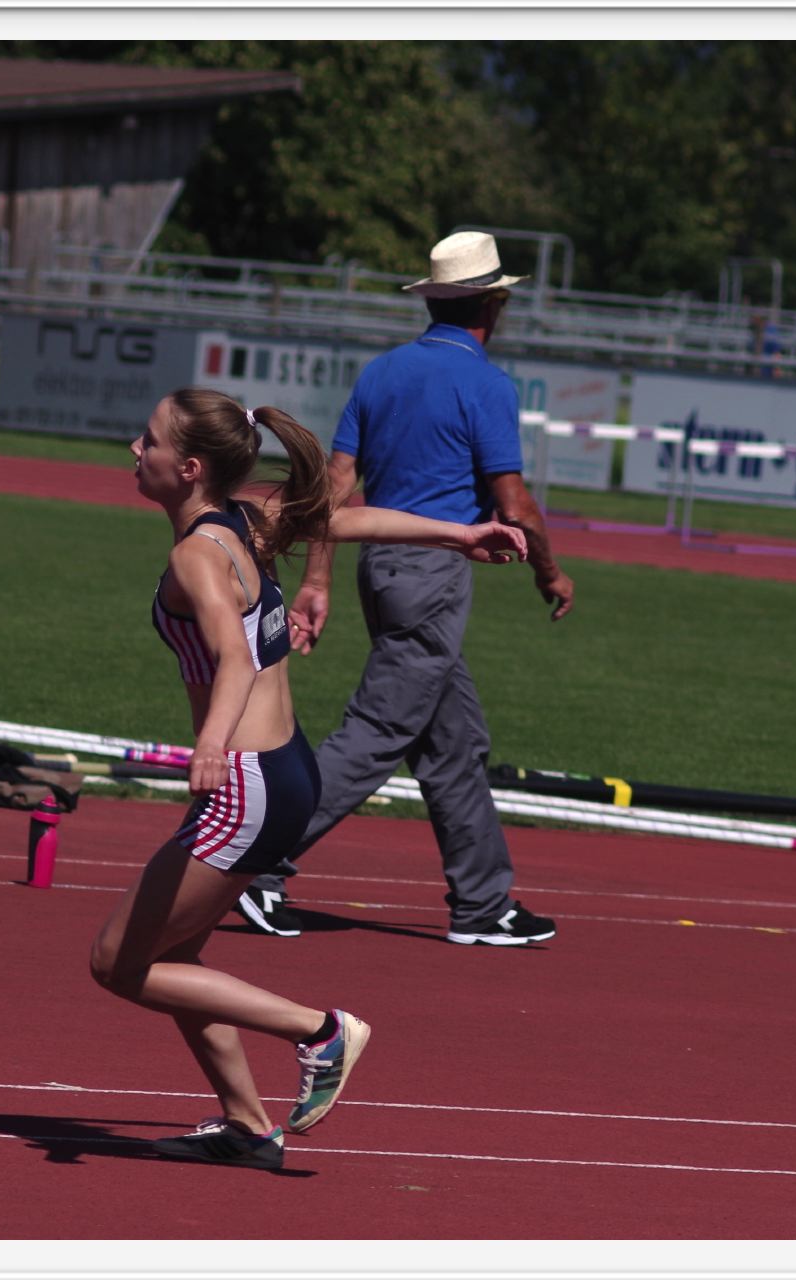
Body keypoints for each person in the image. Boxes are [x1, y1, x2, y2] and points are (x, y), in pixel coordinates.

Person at [91, 387, 529, 1170]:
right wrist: (460, 534)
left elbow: (232, 659)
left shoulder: (196, 555)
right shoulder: (248, 520)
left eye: (148, 440)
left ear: (188, 468)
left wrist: (209, 744)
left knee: (118, 963)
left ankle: (319, 1032)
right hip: (283, 772)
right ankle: (247, 1125)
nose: (135, 448)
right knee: (176, 956)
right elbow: (345, 520)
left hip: (246, 783)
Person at [234, 229, 574, 946]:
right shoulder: (486, 383)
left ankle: (483, 903)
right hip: (433, 574)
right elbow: (514, 504)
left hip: (379, 565)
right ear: (493, 304)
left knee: (455, 742)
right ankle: (256, 865)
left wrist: (317, 580)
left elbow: (333, 487)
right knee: (378, 730)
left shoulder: (382, 373)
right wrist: (550, 571)